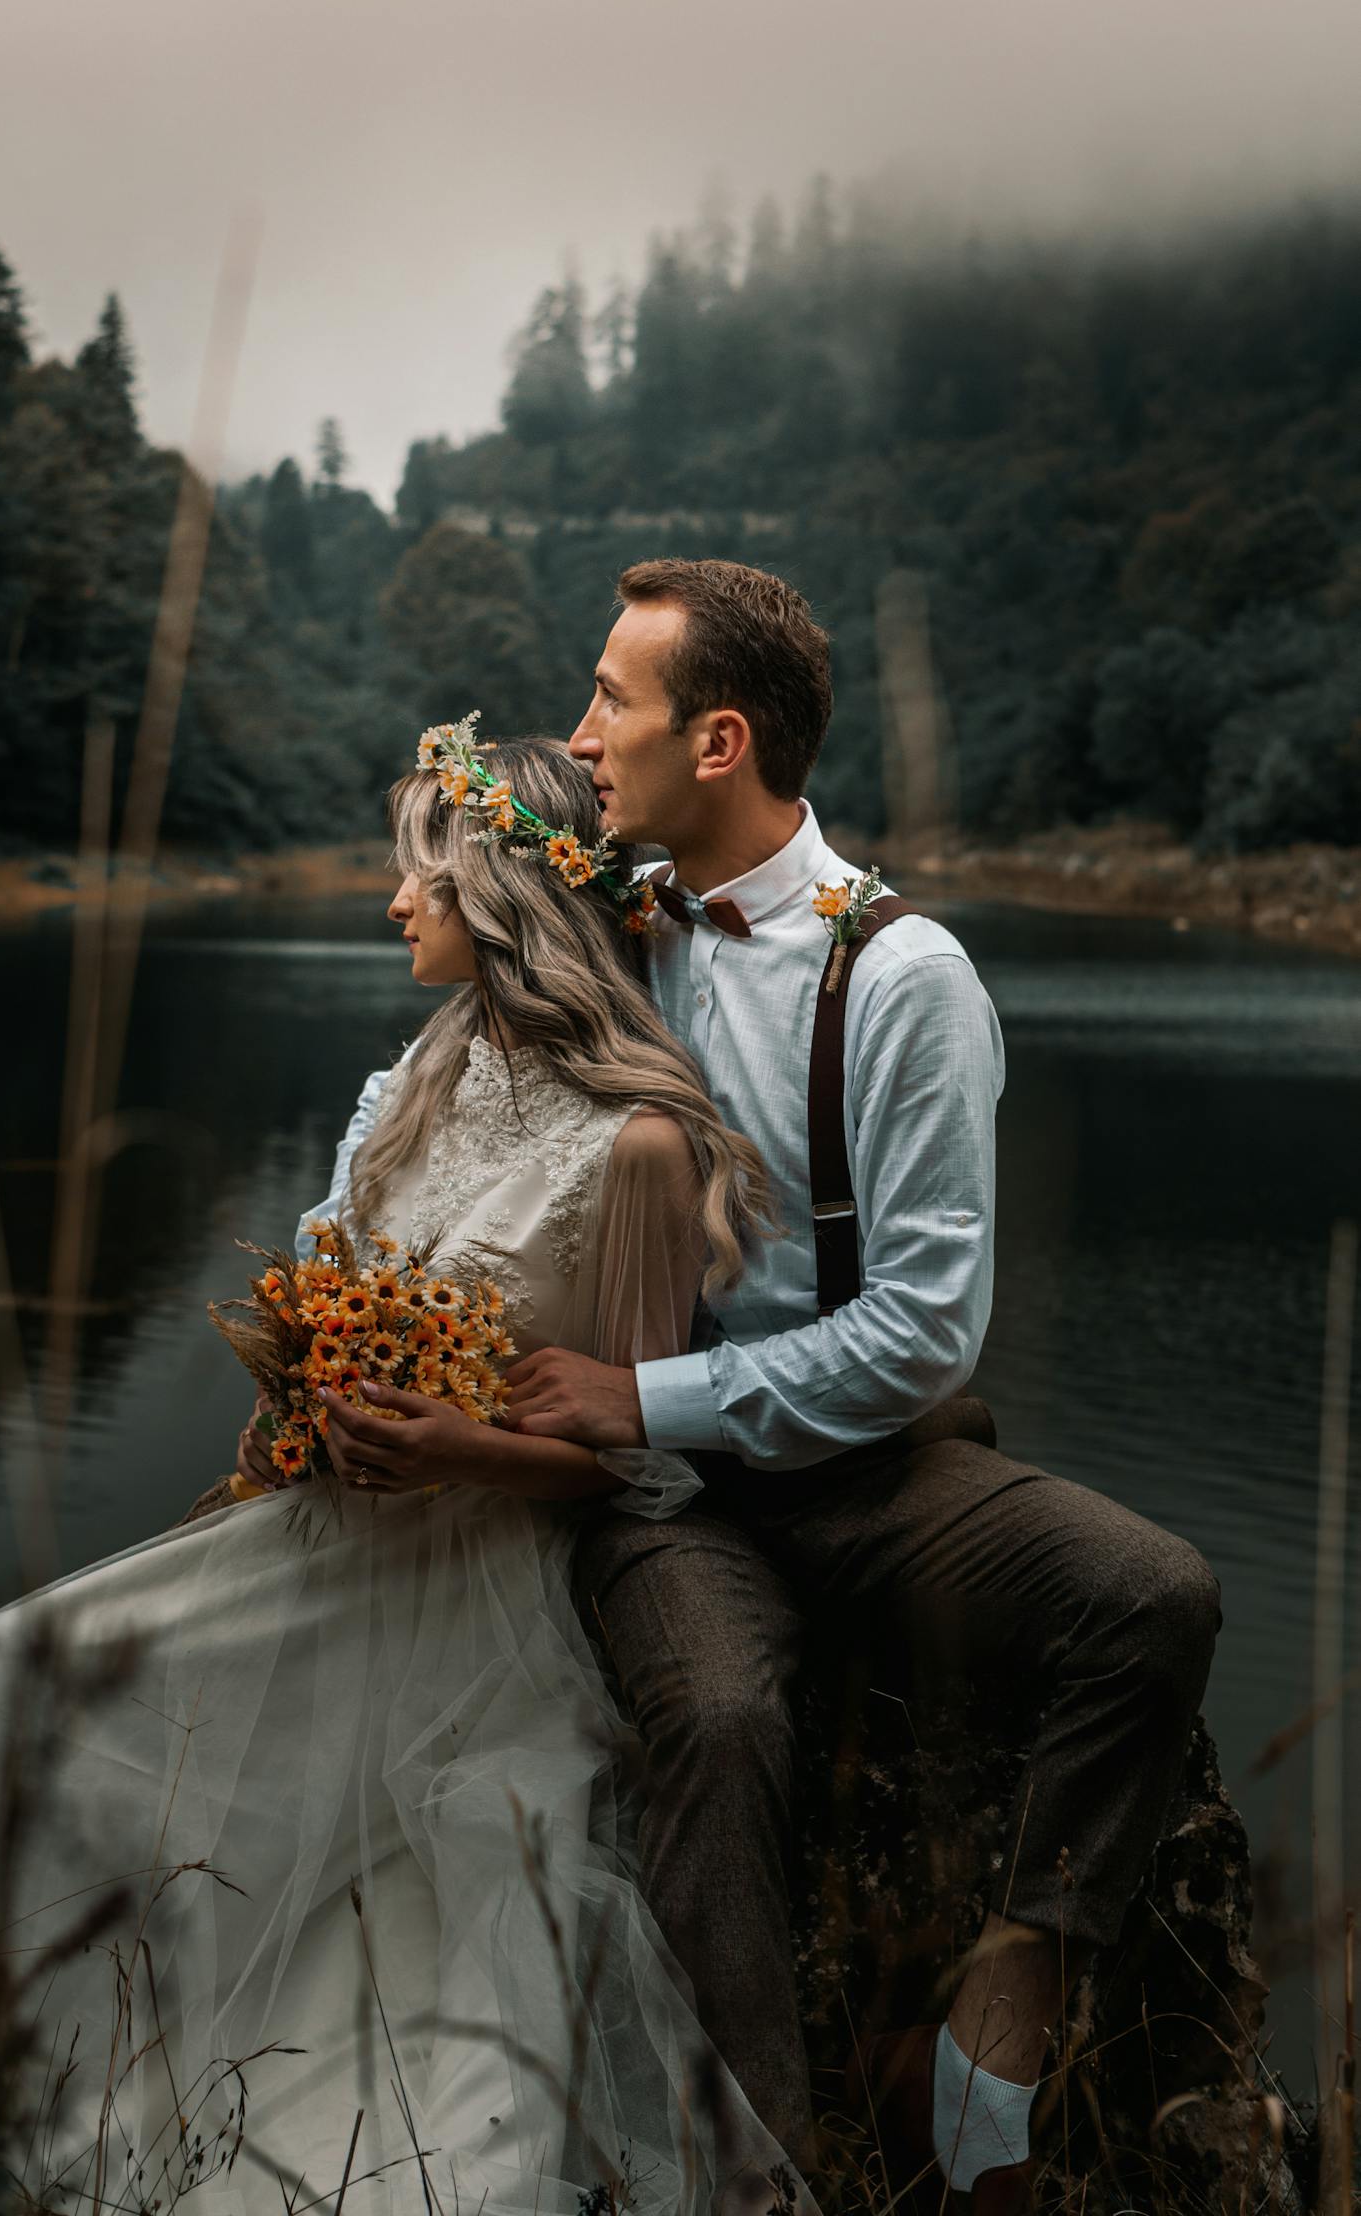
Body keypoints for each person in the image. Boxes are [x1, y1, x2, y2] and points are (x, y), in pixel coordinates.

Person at [0, 734, 814, 2216]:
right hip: (314, 1531)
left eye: (425, 872)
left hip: (472, 1592)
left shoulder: (640, 1147)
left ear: (508, 895)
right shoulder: (422, 1078)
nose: (398, 901)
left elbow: (636, 1466)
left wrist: (470, 1447)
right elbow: (332, 1294)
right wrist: (299, 1402)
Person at [497, 557, 1224, 2212]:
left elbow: (921, 1336)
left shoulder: (903, 980)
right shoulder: (609, 930)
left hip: (870, 1473)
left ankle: (1012, 1986)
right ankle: (754, 2173)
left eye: (614, 697)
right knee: (726, 1717)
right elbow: (431, 1094)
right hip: (674, 1512)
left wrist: (638, 1399)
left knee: (1156, 1594)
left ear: (722, 739)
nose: (580, 734)